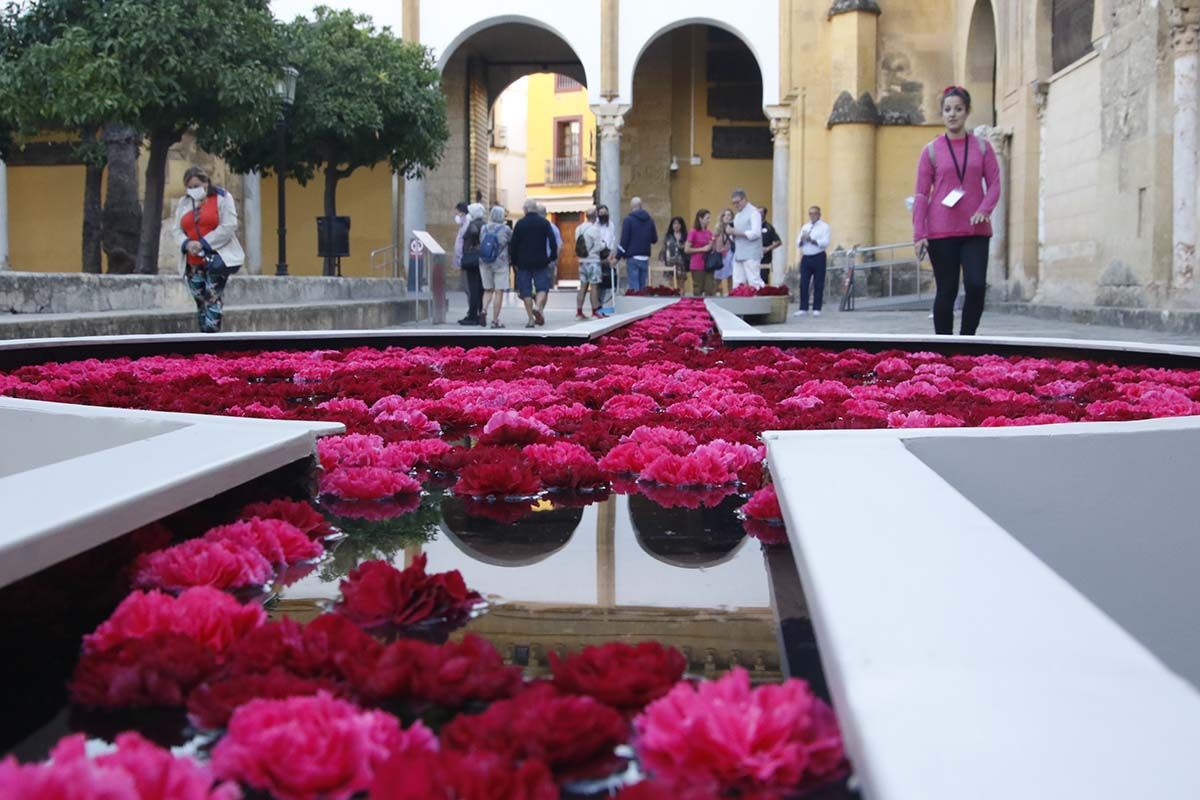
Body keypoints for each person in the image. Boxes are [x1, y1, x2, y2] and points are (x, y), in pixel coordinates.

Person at [913, 85, 1001, 335]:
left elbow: (994, 183)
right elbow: (921, 194)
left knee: (975, 286)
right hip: (941, 232)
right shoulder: (930, 151)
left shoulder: (982, 148)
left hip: (976, 231)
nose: (953, 114)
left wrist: (985, 209)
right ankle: (944, 345)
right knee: (947, 290)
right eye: (947, 109)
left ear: (967, 112)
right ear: (942, 113)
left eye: (958, 109)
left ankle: (967, 340)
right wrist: (919, 234)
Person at [173, 166, 244, 333]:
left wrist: (204, 243)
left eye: (196, 186)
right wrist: (187, 244)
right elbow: (176, 230)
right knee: (199, 299)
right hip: (193, 261)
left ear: (205, 183)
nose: (193, 190)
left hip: (216, 258)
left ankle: (212, 336)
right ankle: (203, 334)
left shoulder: (222, 198)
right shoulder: (184, 203)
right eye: (189, 187)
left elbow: (229, 226)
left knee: (211, 296)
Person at [509, 198, 557, 327]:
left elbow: (513, 244)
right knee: (542, 287)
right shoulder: (544, 223)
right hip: (541, 260)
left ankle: (530, 318)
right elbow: (552, 241)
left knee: (526, 291)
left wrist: (513, 261)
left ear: (525, 209)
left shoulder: (520, 224)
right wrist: (552, 256)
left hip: (523, 262)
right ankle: (538, 306)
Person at [795, 206, 832, 316]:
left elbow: (825, 242)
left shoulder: (824, 227)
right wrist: (802, 240)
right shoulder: (805, 226)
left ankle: (817, 308)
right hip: (806, 256)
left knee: (818, 283)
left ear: (819, 214)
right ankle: (803, 308)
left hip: (818, 256)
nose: (812, 215)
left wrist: (812, 240)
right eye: (810, 213)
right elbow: (797, 243)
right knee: (803, 283)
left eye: (815, 213)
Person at [479, 205, 512, 328]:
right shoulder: (506, 229)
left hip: (484, 262)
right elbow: (511, 242)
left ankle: (483, 310)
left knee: (488, 290)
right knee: (499, 291)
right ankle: (495, 320)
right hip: (500, 263)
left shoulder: (484, 228)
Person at [727, 189, 765, 290]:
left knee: (754, 280)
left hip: (751, 253)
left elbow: (756, 233)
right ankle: (739, 303)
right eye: (733, 203)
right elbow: (735, 235)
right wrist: (731, 233)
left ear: (744, 200)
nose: (735, 205)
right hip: (739, 252)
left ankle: (760, 302)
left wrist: (735, 232)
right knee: (737, 282)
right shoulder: (738, 215)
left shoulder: (754, 212)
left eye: (737, 202)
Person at [618, 197, 658, 292]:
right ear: (641, 205)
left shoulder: (628, 220)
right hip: (645, 257)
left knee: (634, 286)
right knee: (642, 285)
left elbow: (624, 240)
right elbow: (654, 239)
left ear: (631, 206)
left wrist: (618, 256)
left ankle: (635, 306)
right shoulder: (650, 220)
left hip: (633, 257)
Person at [574, 207, 607, 319]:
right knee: (594, 286)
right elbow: (598, 246)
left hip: (582, 261)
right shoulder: (595, 229)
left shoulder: (578, 228)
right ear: (595, 216)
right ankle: (595, 311)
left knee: (583, 286)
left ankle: (579, 311)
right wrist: (604, 245)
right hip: (593, 261)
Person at [457, 203, 486, 325]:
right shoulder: (483, 224)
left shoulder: (474, 225)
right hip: (480, 260)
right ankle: (479, 313)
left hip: (472, 261)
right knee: (479, 288)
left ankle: (473, 315)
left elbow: (470, 239)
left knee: (473, 288)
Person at [684, 208, 717, 297]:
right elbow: (687, 249)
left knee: (710, 288)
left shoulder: (709, 233)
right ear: (700, 219)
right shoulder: (693, 232)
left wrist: (713, 243)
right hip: (697, 264)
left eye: (710, 218)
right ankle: (697, 308)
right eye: (707, 218)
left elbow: (711, 248)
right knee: (698, 289)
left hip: (709, 264)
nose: (709, 220)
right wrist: (702, 249)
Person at [659, 215, 689, 290]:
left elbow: (689, 248)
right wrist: (662, 262)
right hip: (670, 264)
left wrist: (683, 246)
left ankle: (682, 299)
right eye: (674, 223)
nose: (676, 225)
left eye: (678, 224)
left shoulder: (686, 236)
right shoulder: (668, 236)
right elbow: (664, 249)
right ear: (672, 225)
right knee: (671, 285)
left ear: (681, 225)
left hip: (681, 264)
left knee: (681, 284)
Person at [595, 204, 617, 306]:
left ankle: (604, 302)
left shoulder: (611, 225)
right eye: (601, 213)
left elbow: (612, 240)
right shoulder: (595, 226)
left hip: (608, 254)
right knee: (597, 281)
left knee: (607, 280)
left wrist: (611, 254)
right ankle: (597, 303)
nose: (603, 215)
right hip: (597, 254)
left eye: (605, 213)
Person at [538, 203, 563, 288]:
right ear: (545, 214)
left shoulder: (531, 227)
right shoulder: (553, 227)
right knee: (549, 287)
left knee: (537, 286)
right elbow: (559, 246)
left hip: (535, 262)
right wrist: (556, 261)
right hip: (549, 261)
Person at [713, 208, 735, 293]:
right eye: (725, 215)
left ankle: (731, 294)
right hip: (720, 256)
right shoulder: (718, 228)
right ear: (722, 217)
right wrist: (719, 249)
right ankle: (716, 296)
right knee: (717, 279)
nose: (727, 217)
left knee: (731, 277)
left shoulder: (734, 228)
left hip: (731, 255)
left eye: (729, 215)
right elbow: (714, 241)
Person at [758, 206, 781, 285]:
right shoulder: (751, 226)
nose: (758, 214)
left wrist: (767, 248)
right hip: (753, 256)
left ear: (764, 214)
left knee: (763, 278)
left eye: (760, 212)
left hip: (765, 257)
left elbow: (778, 242)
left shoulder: (769, 227)